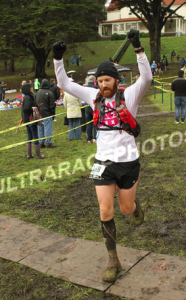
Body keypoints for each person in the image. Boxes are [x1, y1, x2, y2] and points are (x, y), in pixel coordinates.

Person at [52, 29, 152, 283]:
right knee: (105, 210)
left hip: (128, 162)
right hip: (103, 164)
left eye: (107, 80)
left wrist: (139, 49)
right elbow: (64, 84)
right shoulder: (92, 96)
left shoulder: (129, 96)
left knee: (126, 210)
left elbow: (147, 78)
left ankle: (134, 204)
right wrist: (57, 58)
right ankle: (113, 260)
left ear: (117, 81)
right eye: (99, 81)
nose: (103, 84)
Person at [21, 83, 44, 159]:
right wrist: (34, 108)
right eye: (31, 87)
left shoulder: (28, 97)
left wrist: (37, 106)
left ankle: (29, 154)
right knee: (35, 136)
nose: (32, 88)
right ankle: (38, 155)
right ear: (28, 89)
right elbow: (26, 109)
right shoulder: (28, 97)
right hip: (30, 119)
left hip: (27, 119)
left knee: (30, 136)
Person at [36, 79, 56, 148]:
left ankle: (41, 142)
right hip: (47, 113)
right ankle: (48, 142)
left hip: (39, 113)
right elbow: (52, 105)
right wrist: (53, 114)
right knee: (48, 128)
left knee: (40, 127)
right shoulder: (49, 93)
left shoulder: (38, 92)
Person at [85, 75, 98, 143]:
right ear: (94, 81)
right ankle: (95, 138)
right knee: (95, 122)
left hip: (87, 107)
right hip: (94, 107)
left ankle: (89, 139)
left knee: (88, 123)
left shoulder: (85, 88)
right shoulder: (96, 88)